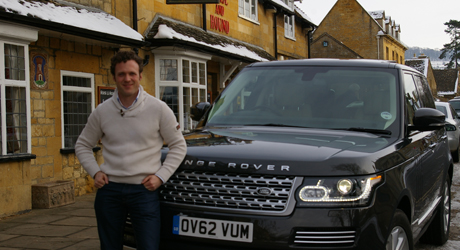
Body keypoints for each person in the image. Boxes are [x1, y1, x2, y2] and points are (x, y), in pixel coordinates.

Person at [75, 50, 187, 250]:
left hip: (143, 191)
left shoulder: (159, 109)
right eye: (121, 74)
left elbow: (179, 146)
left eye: (132, 74)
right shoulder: (102, 111)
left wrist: (161, 176)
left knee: (148, 246)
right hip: (109, 191)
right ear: (114, 77)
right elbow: (82, 145)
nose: (127, 79)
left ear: (140, 76)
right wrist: (95, 171)